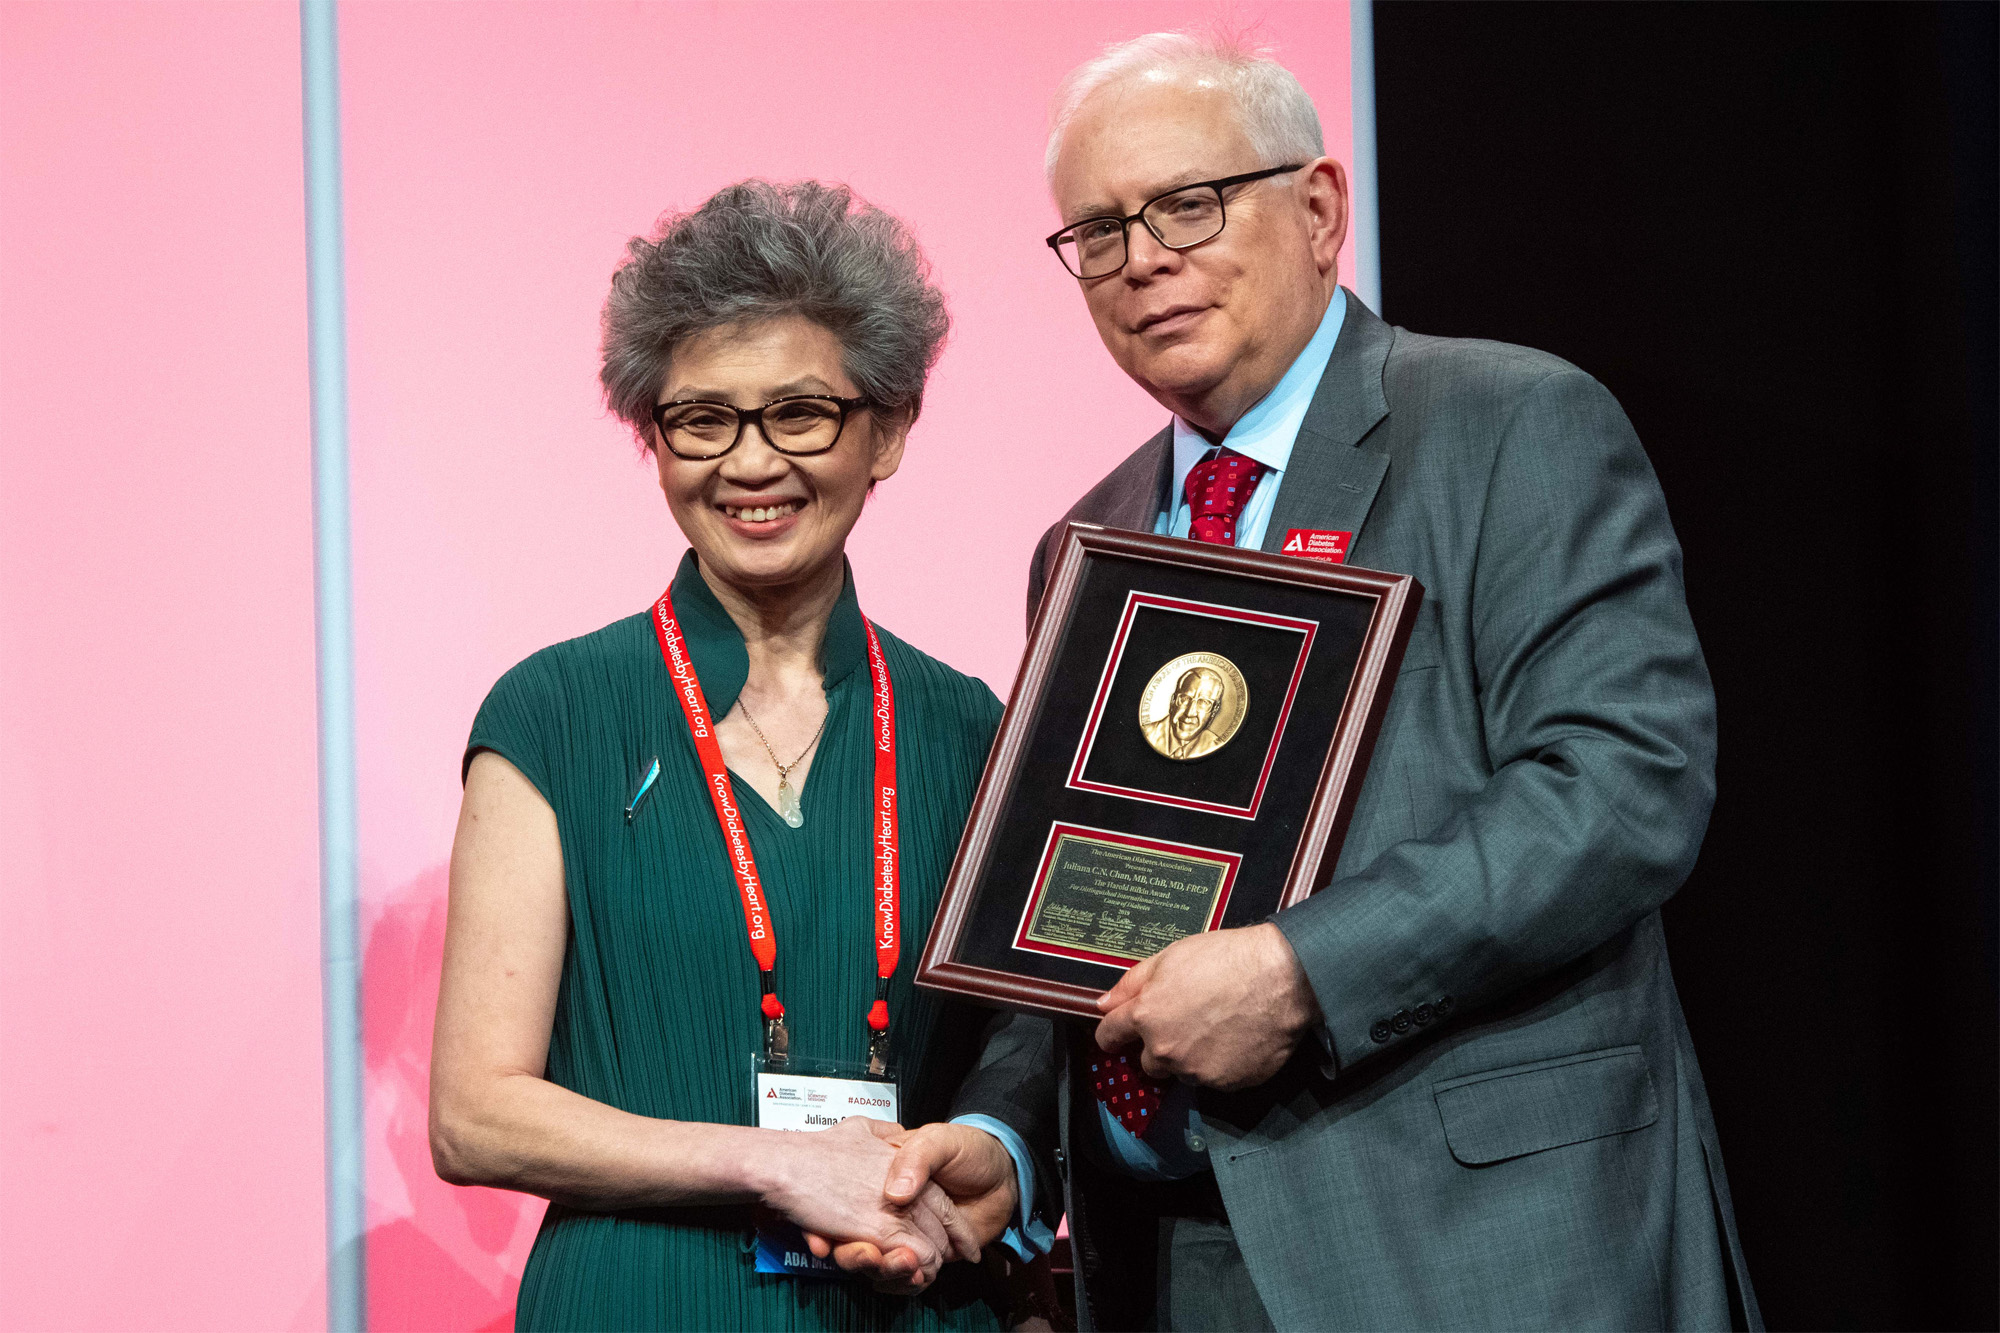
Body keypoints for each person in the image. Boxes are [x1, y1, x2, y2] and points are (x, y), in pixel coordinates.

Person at [847, 32, 1763, 1331]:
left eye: (1187, 203)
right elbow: (1071, 918)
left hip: (1480, 1247)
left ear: (1322, 208)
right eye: (1097, 232)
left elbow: (1624, 787)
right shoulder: (1089, 544)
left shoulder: (1510, 425)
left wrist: (1300, 973)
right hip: (1176, 1262)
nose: (1143, 258)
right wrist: (1003, 1135)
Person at [428, 179, 1021, 1331]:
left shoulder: (971, 727)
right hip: (643, 1298)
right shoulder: (553, 713)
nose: (750, 463)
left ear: (886, 430)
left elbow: (1021, 1058)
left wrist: (983, 1155)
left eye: (800, 413)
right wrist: (773, 1163)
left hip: (910, 1299)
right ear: (652, 439)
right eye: (702, 419)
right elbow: (473, 1113)